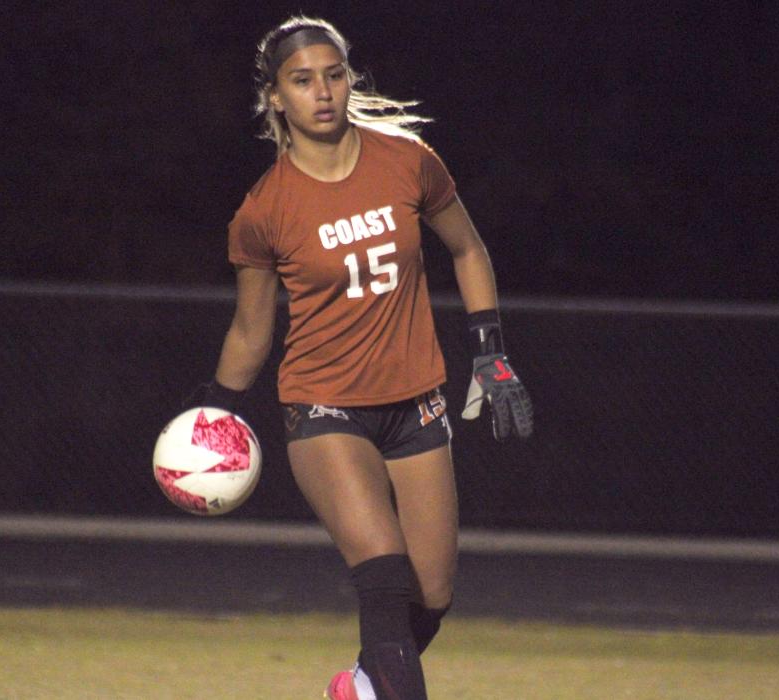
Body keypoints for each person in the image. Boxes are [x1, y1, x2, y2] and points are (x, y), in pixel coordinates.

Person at [200, 15, 533, 700]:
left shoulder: (407, 160)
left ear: (350, 78)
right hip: (325, 410)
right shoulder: (263, 211)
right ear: (275, 98)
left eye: (333, 73)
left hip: (417, 403)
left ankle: (359, 685)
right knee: (382, 574)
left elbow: (468, 250)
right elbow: (251, 329)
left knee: (432, 594)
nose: (322, 91)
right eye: (301, 80)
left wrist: (490, 354)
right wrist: (214, 408)